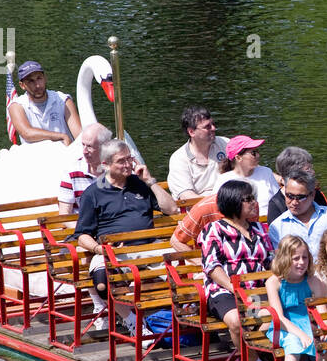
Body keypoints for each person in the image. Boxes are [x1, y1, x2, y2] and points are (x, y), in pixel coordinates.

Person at [75, 139, 177, 333]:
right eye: (122, 161)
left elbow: (171, 209)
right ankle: (132, 321)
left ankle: (187, 312)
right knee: (103, 283)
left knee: (189, 269)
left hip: (150, 246)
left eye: (130, 158)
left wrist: (150, 182)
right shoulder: (93, 193)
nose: (129, 164)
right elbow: (82, 235)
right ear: (105, 165)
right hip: (115, 250)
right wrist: (99, 249)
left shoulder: (140, 185)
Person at [199, 180, 274, 361]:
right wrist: (234, 288)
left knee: (274, 315)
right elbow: (212, 267)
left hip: (257, 290)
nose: (254, 203)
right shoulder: (214, 229)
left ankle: (253, 352)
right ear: (233, 202)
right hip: (223, 292)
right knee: (236, 321)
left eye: (253, 198)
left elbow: (269, 261)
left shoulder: (259, 229)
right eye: (248, 199)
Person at [266, 236, 327, 361]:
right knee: (293, 346)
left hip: (309, 323)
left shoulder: (312, 281)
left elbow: (322, 311)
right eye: (296, 258)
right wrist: (301, 333)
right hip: (285, 326)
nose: (301, 263)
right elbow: (278, 316)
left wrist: (324, 328)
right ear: (286, 259)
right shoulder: (275, 282)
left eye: (305, 258)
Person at [268, 169, 327, 255]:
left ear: (312, 195)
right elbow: (280, 262)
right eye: (290, 196)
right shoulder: (277, 227)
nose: (294, 202)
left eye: (300, 197)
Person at [8, 59, 82, 145]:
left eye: (39, 78)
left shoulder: (63, 100)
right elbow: (27, 133)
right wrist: (60, 136)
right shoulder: (17, 106)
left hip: (65, 153)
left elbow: (79, 135)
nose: (37, 85)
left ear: (45, 78)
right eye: (31, 81)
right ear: (22, 85)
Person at [167, 105, 231, 200]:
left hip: (228, 204)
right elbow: (186, 196)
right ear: (191, 132)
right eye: (207, 127)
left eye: (213, 124)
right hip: (197, 209)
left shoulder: (225, 143)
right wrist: (218, 202)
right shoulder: (179, 159)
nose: (214, 128)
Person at [58, 123, 113, 214]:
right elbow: (64, 215)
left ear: (104, 147)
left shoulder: (117, 169)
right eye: (83, 145)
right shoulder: (71, 172)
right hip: (82, 225)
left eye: (89, 146)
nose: (84, 151)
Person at [216, 135, 281, 209]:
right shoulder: (223, 180)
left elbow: (279, 201)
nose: (258, 155)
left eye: (257, 151)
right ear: (238, 158)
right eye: (253, 153)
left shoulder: (266, 172)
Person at [268, 146, 327, 223]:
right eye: (308, 169)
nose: (313, 172)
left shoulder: (316, 194)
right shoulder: (276, 205)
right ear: (293, 174)